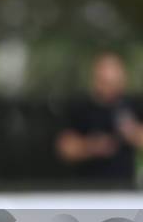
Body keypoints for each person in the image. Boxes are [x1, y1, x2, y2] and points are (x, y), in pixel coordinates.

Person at [56, 53, 143, 188]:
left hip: (125, 191)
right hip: (88, 191)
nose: (111, 88)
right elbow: (65, 149)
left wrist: (132, 132)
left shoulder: (132, 106)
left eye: (115, 82)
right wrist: (91, 146)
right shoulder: (81, 108)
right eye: (106, 82)